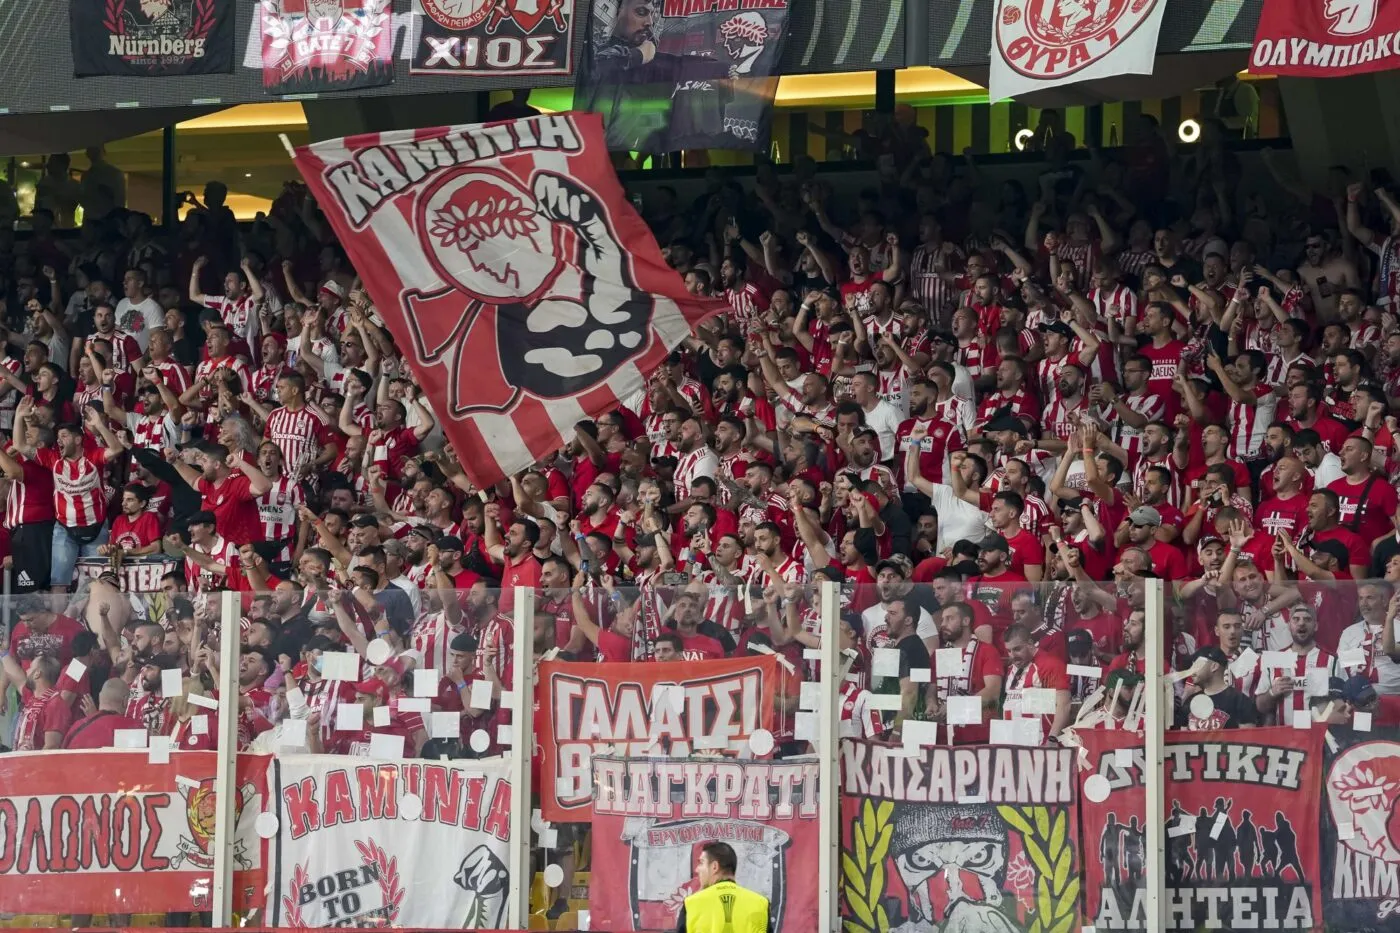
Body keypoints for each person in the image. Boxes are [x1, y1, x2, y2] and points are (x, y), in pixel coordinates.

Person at [673, 841, 773, 933]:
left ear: (714, 867)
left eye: (701, 863)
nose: (697, 869)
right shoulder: (761, 904)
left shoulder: (692, 904)